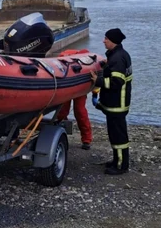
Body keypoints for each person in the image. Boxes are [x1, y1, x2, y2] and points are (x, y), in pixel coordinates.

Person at [90, 28, 132, 175]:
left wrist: (98, 80)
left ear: (113, 41)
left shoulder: (118, 58)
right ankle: (117, 160)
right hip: (115, 104)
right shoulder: (118, 55)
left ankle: (121, 166)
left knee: (118, 136)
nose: (103, 40)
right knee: (115, 134)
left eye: (106, 38)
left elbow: (117, 82)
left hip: (117, 105)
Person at [56, 49, 93, 149]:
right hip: (67, 86)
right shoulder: (65, 58)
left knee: (80, 112)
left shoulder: (89, 62)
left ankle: (86, 139)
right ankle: (59, 132)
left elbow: (95, 79)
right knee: (62, 112)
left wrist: (95, 94)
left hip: (80, 87)